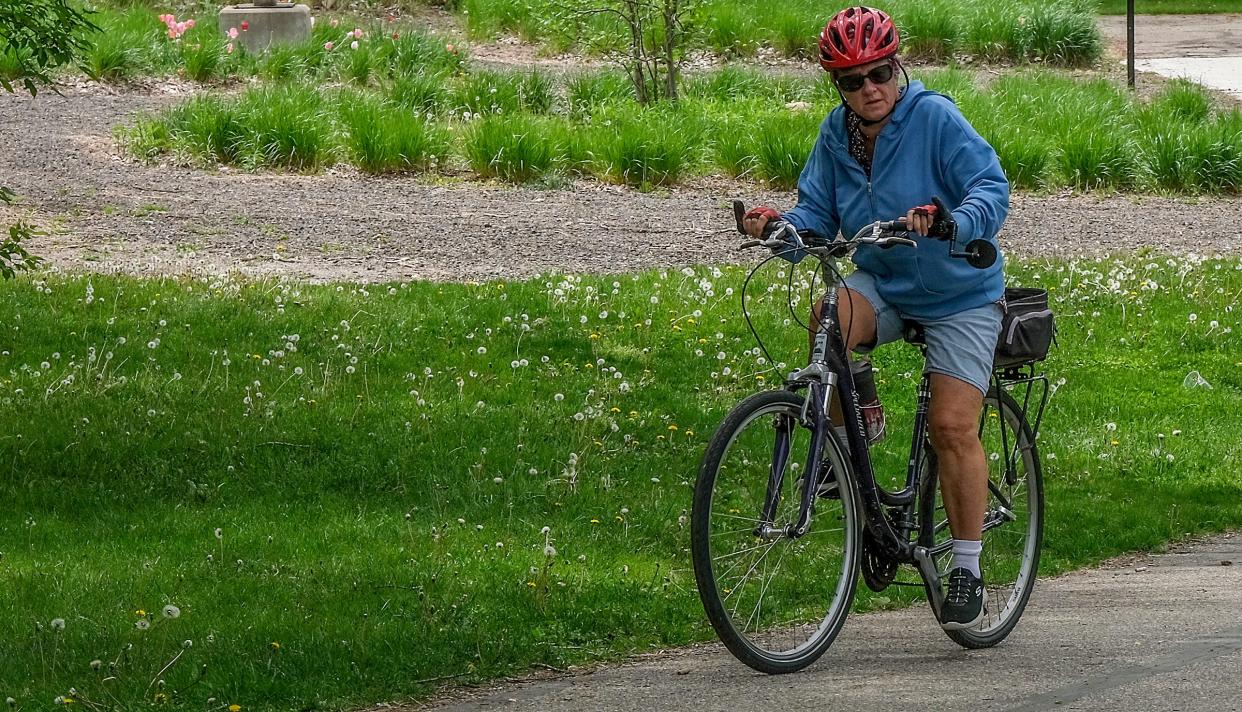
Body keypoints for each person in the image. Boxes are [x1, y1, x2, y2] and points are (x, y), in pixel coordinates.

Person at [741, 5, 1009, 630]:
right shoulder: (836, 135)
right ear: (838, 87)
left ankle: (966, 569)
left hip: (959, 294)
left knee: (950, 427)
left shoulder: (935, 118)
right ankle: (843, 454)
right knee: (827, 316)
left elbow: (991, 188)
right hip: (885, 283)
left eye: (879, 73)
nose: (869, 89)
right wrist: (778, 228)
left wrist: (951, 220)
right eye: (851, 80)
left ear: (898, 65)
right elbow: (815, 215)